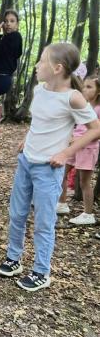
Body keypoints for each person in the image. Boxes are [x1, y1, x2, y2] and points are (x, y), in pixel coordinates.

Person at [0, 43, 100, 291]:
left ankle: (41, 271)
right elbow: (39, 121)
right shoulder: (39, 89)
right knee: (17, 213)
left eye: (42, 61)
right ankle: (13, 259)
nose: (37, 65)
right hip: (26, 162)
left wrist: (65, 153)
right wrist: (27, 138)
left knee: (44, 221)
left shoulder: (72, 97)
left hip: (48, 169)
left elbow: (95, 129)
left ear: (57, 68)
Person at [57, 75, 100, 225]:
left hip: (88, 149)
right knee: (61, 173)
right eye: (84, 86)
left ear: (98, 91)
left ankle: (88, 214)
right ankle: (62, 203)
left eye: (89, 87)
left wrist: (78, 140)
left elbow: (97, 132)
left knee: (84, 182)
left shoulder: (98, 109)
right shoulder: (85, 106)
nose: (84, 89)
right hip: (74, 147)